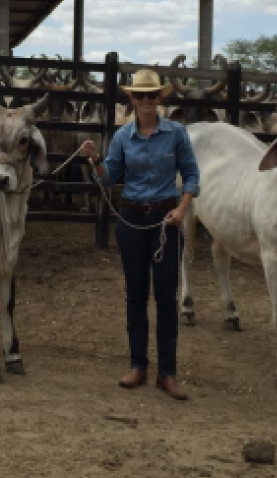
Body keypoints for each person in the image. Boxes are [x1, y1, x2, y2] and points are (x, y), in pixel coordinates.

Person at [81, 68, 200, 400]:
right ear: (131, 99)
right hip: (131, 219)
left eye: (152, 96)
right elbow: (109, 178)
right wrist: (95, 161)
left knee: (166, 298)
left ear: (160, 98)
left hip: (166, 220)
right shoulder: (122, 137)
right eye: (139, 96)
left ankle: (168, 372)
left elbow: (191, 175)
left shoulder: (176, 134)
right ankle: (137, 365)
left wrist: (182, 209)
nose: (146, 101)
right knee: (135, 295)